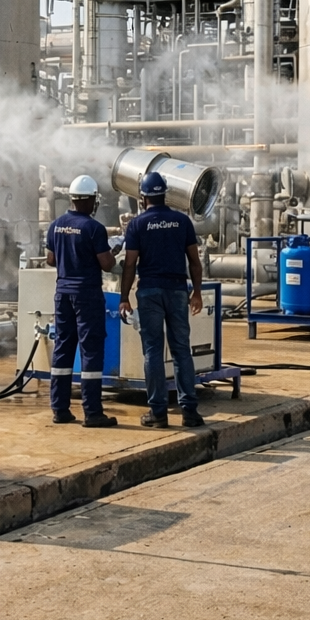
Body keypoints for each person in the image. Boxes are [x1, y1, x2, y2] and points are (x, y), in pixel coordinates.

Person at [119, 172, 205, 429]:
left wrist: (124, 298)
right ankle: (189, 411)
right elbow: (195, 261)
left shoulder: (137, 225)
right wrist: (197, 292)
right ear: (164, 194)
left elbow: (130, 264)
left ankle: (158, 413)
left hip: (149, 293)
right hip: (178, 291)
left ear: (143, 197)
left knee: (153, 351)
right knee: (181, 350)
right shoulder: (182, 221)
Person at [43, 176, 117, 428]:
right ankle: (93, 412)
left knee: (63, 348)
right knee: (91, 351)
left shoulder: (56, 225)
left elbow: (51, 260)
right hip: (87, 294)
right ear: (90, 200)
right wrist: (114, 253)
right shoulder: (94, 228)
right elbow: (107, 264)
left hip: (62, 293)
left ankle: (60, 408)